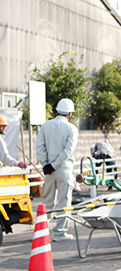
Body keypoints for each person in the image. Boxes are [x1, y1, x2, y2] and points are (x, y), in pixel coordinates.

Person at [36, 98, 79, 242]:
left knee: (48, 201)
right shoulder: (71, 128)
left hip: (48, 170)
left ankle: (42, 231)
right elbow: (68, 150)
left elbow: (40, 148)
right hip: (64, 169)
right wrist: (55, 164)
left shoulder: (45, 126)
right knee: (64, 202)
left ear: (57, 111)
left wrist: (46, 164)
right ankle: (60, 233)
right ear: (70, 114)